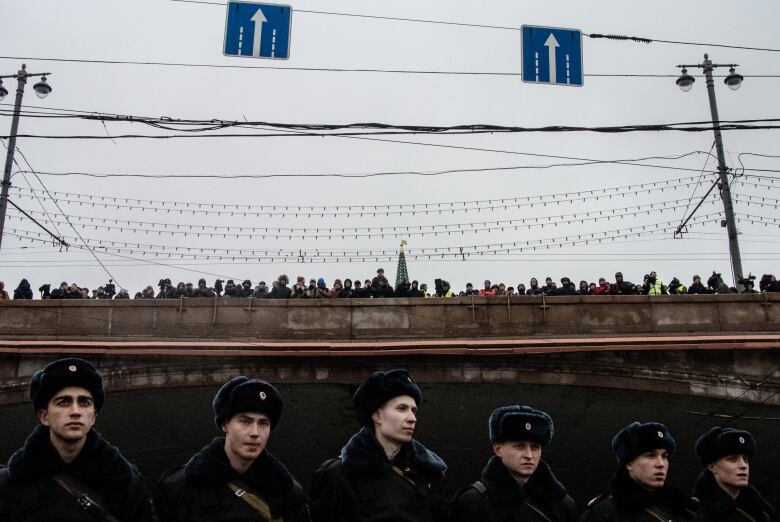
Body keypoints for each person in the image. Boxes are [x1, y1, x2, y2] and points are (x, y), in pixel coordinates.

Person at [0, 358, 154, 521]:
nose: (75, 411)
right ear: (44, 416)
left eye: (84, 402)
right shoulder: (10, 484)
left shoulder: (125, 482)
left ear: (93, 416)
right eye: (64, 402)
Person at [155, 376, 309, 521]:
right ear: (225, 424)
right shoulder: (180, 487)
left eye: (263, 423)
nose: (255, 433)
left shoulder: (287, 491)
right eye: (245, 421)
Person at [308, 369, 448, 522]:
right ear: (377, 415)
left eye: (414, 411)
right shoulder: (338, 475)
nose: (412, 418)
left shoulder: (430, 474)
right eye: (401, 409)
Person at [451, 405, 577, 522]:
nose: (529, 455)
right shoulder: (473, 502)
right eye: (519, 446)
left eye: (535, 447)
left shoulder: (562, 503)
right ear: (498, 449)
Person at [580, 421, 696, 522]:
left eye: (664, 456)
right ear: (629, 463)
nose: (660, 464)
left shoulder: (683, 508)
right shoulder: (605, 512)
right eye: (651, 456)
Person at [693, 427, 774, 522]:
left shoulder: (761, 512)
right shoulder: (697, 513)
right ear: (712, 466)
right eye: (732, 459)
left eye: (745, 459)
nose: (743, 465)